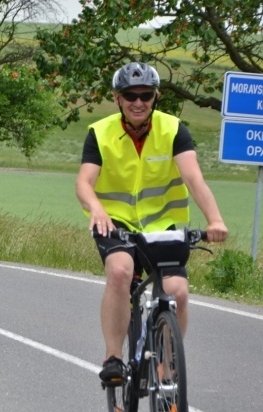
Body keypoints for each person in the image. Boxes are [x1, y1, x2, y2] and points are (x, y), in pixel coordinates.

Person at [75, 62, 228, 385]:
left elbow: (193, 178)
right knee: (120, 272)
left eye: (145, 95)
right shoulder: (100, 133)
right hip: (115, 222)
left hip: (164, 224)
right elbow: (84, 182)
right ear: (118, 98)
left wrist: (214, 219)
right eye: (130, 95)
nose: (138, 102)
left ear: (155, 97)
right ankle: (114, 357)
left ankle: (167, 367)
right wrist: (96, 209)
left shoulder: (173, 130)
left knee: (178, 293)